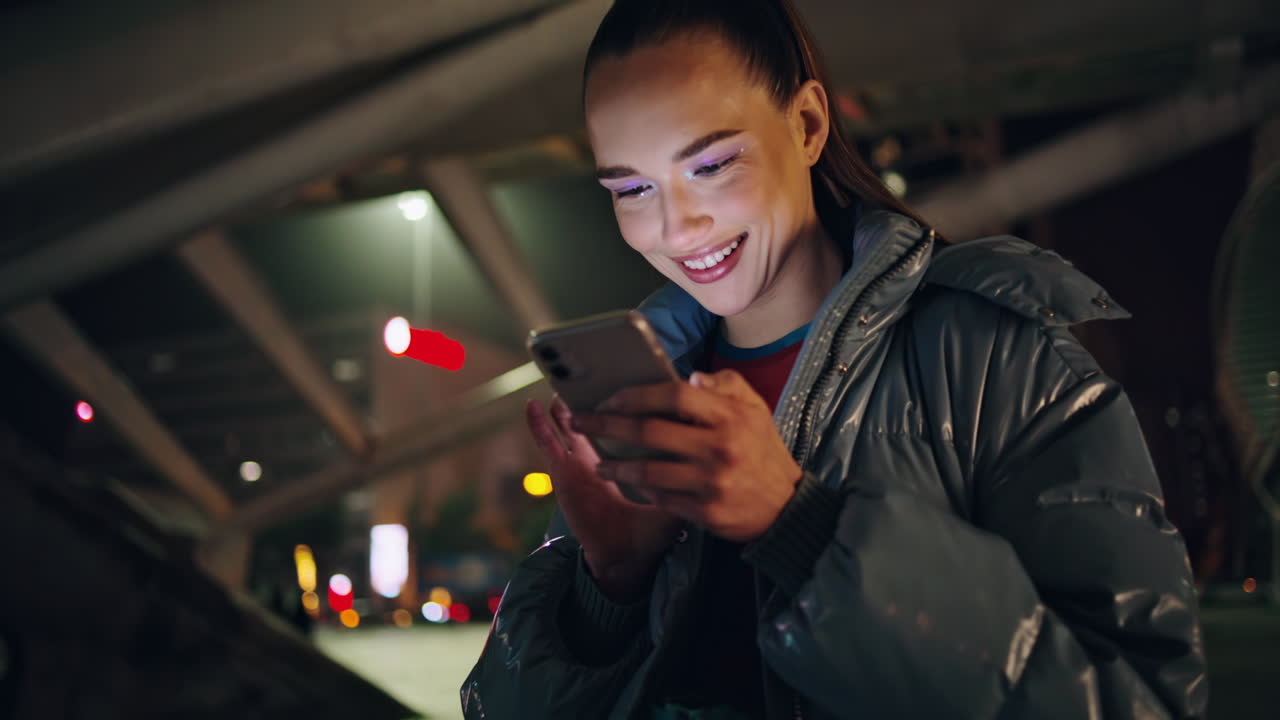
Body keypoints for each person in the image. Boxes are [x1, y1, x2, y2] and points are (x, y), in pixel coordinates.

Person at [461, 1, 1208, 718]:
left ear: (809, 124)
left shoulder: (996, 359)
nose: (676, 226)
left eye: (714, 164)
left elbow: (1142, 701)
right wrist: (609, 583)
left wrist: (800, 525)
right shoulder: (642, 403)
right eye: (631, 188)